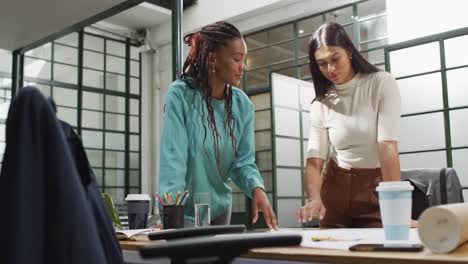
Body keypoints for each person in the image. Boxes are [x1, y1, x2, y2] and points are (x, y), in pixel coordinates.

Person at [159, 21, 278, 229]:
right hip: (183, 213)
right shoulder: (181, 95)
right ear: (213, 58)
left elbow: (243, 163)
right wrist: (171, 214)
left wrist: (257, 189)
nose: (243, 67)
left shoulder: (242, 105)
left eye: (243, 60)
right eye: (236, 59)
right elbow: (173, 159)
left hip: (220, 211)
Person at [296, 22, 401, 228]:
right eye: (322, 64)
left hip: (374, 193)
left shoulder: (380, 83)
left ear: (350, 52)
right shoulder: (322, 103)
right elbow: (314, 163)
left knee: (379, 255)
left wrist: (395, 207)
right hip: (334, 194)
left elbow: (387, 145)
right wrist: (315, 198)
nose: (330, 69)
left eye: (335, 59)